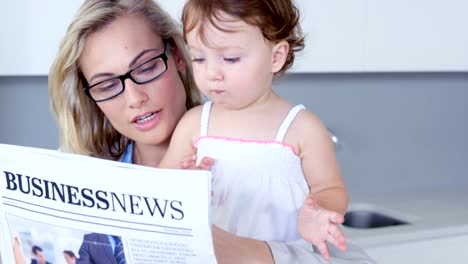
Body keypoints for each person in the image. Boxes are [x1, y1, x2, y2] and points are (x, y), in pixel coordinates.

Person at [49, 0, 374, 263]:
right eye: (106, 84)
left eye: (146, 67)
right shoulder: (82, 181)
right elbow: (162, 190)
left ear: (177, 58)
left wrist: (297, 232)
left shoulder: (299, 129)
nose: (135, 99)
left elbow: (336, 227)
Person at [159, 0, 348, 260]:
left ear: (276, 57)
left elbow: (331, 189)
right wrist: (183, 183)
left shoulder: (302, 128)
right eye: (199, 58)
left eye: (230, 58)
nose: (212, 72)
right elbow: (158, 191)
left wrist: (319, 213)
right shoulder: (194, 124)